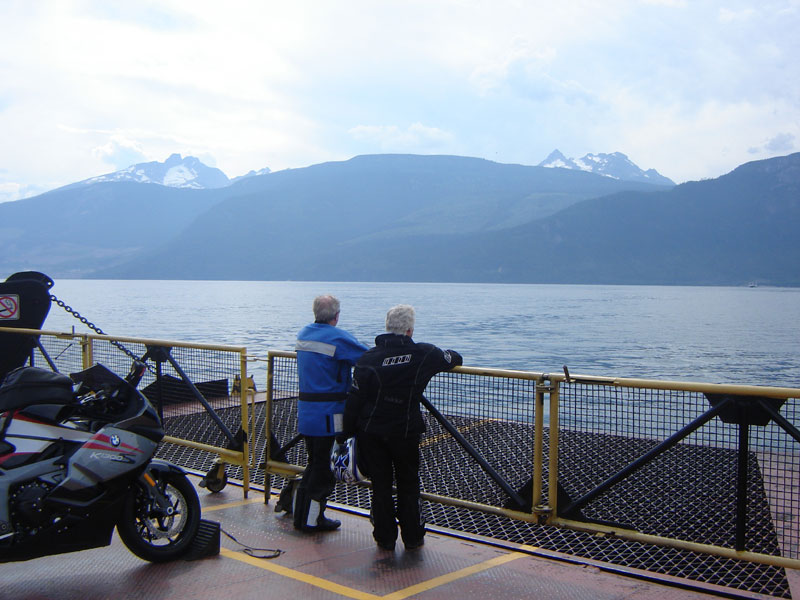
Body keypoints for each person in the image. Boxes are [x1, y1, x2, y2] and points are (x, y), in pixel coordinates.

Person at [340, 304, 462, 551]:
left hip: (371, 431)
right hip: (405, 431)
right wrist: (445, 352)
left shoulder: (368, 358)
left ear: (387, 328)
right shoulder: (423, 354)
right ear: (409, 330)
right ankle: (413, 536)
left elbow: (354, 400)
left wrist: (344, 434)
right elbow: (454, 358)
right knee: (408, 483)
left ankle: (385, 538)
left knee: (381, 485)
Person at [292, 294, 368, 532]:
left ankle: (300, 515)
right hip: (330, 413)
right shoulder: (338, 337)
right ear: (337, 316)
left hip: (306, 411)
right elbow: (368, 359)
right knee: (324, 469)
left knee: (313, 463)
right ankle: (312, 520)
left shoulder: (303, 333)